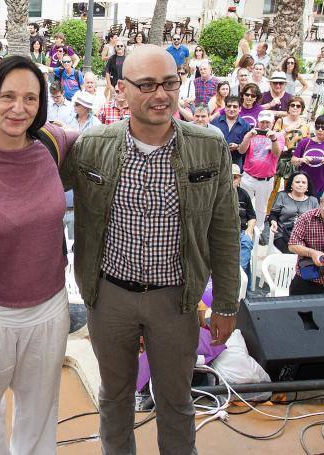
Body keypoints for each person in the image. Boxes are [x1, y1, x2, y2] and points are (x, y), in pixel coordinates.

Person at [60, 45, 238, 455]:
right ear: (122, 90)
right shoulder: (92, 145)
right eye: (147, 85)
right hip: (110, 299)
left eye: (170, 83)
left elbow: (224, 229)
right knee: (114, 397)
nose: (161, 95)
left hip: (175, 300)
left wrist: (226, 304)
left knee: (176, 400)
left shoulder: (208, 145)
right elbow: (40, 181)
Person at [0, 55, 77, 455]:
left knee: (40, 413)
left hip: (49, 308)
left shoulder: (52, 143)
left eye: (30, 98)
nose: (19, 107)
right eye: (8, 96)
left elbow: (103, 141)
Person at [239, 110, 284, 229]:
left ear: (273, 123)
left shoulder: (278, 136)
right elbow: (241, 150)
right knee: (243, 204)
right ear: (258, 122)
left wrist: (273, 139)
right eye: (262, 122)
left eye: (267, 122)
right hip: (248, 176)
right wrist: (248, 137)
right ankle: (243, 227)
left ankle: (258, 229)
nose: (264, 125)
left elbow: (276, 153)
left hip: (265, 179)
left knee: (261, 207)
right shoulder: (251, 133)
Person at [268, 171, 318, 254]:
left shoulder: (313, 200)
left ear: (307, 186)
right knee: (291, 254)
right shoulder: (282, 196)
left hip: (304, 236)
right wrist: (273, 223)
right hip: (282, 234)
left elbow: (317, 220)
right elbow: (273, 215)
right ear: (291, 184)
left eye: (303, 182)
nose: (300, 184)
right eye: (297, 182)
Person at [287, 194, 324, 295]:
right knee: (300, 310)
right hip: (307, 282)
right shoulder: (307, 218)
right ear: (320, 203)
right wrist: (312, 253)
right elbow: (292, 244)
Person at [212, 96, 252, 168]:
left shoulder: (245, 125)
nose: (231, 109)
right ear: (225, 108)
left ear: (240, 109)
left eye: (235, 106)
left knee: (235, 179)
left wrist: (237, 146)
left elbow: (249, 147)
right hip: (216, 160)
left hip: (235, 161)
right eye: (229, 106)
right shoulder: (215, 122)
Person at [292, 114, 324, 196]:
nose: (320, 130)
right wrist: (301, 160)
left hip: (321, 186)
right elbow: (293, 160)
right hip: (301, 185)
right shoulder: (305, 142)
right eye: (317, 127)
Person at [233, 164, 257, 277]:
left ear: (239, 179)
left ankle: (239, 276)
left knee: (246, 242)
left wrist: (250, 229)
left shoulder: (243, 194)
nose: (232, 180)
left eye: (235, 177)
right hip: (223, 231)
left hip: (241, 230)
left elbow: (252, 216)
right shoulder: (218, 193)